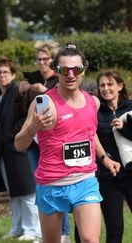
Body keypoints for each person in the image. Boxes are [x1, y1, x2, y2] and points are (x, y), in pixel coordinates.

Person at [14, 43, 121, 243]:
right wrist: (32, 128)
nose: (70, 75)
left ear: (83, 71)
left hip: (85, 181)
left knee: (90, 239)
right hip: (52, 184)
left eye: (76, 69)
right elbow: (19, 144)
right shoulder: (43, 104)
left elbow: (89, 133)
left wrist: (105, 158)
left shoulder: (93, 102)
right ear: (56, 71)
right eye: (64, 70)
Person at [15, 40, 71, 243]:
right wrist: (20, 93)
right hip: (34, 142)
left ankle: (64, 232)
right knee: (41, 185)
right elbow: (20, 111)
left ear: (53, 60)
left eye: (45, 59)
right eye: (38, 59)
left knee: (59, 185)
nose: (41, 63)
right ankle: (48, 232)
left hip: (56, 140)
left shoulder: (61, 78)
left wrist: (45, 92)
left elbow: (66, 104)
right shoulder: (32, 78)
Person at [0, 56, 41, 242]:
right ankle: (17, 227)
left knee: (27, 191)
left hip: (19, 148)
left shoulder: (17, 92)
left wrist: (13, 136)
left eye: (5, 72)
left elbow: (24, 116)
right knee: (13, 193)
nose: (2, 75)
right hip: (3, 151)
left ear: (13, 75)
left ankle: (33, 230)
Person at [95, 70, 132, 243]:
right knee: (115, 229)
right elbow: (92, 142)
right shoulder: (96, 112)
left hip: (131, 173)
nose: (106, 88)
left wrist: (123, 128)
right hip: (108, 178)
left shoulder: (131, 108)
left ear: (120, 85)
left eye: (110, 84)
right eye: (102, 85)